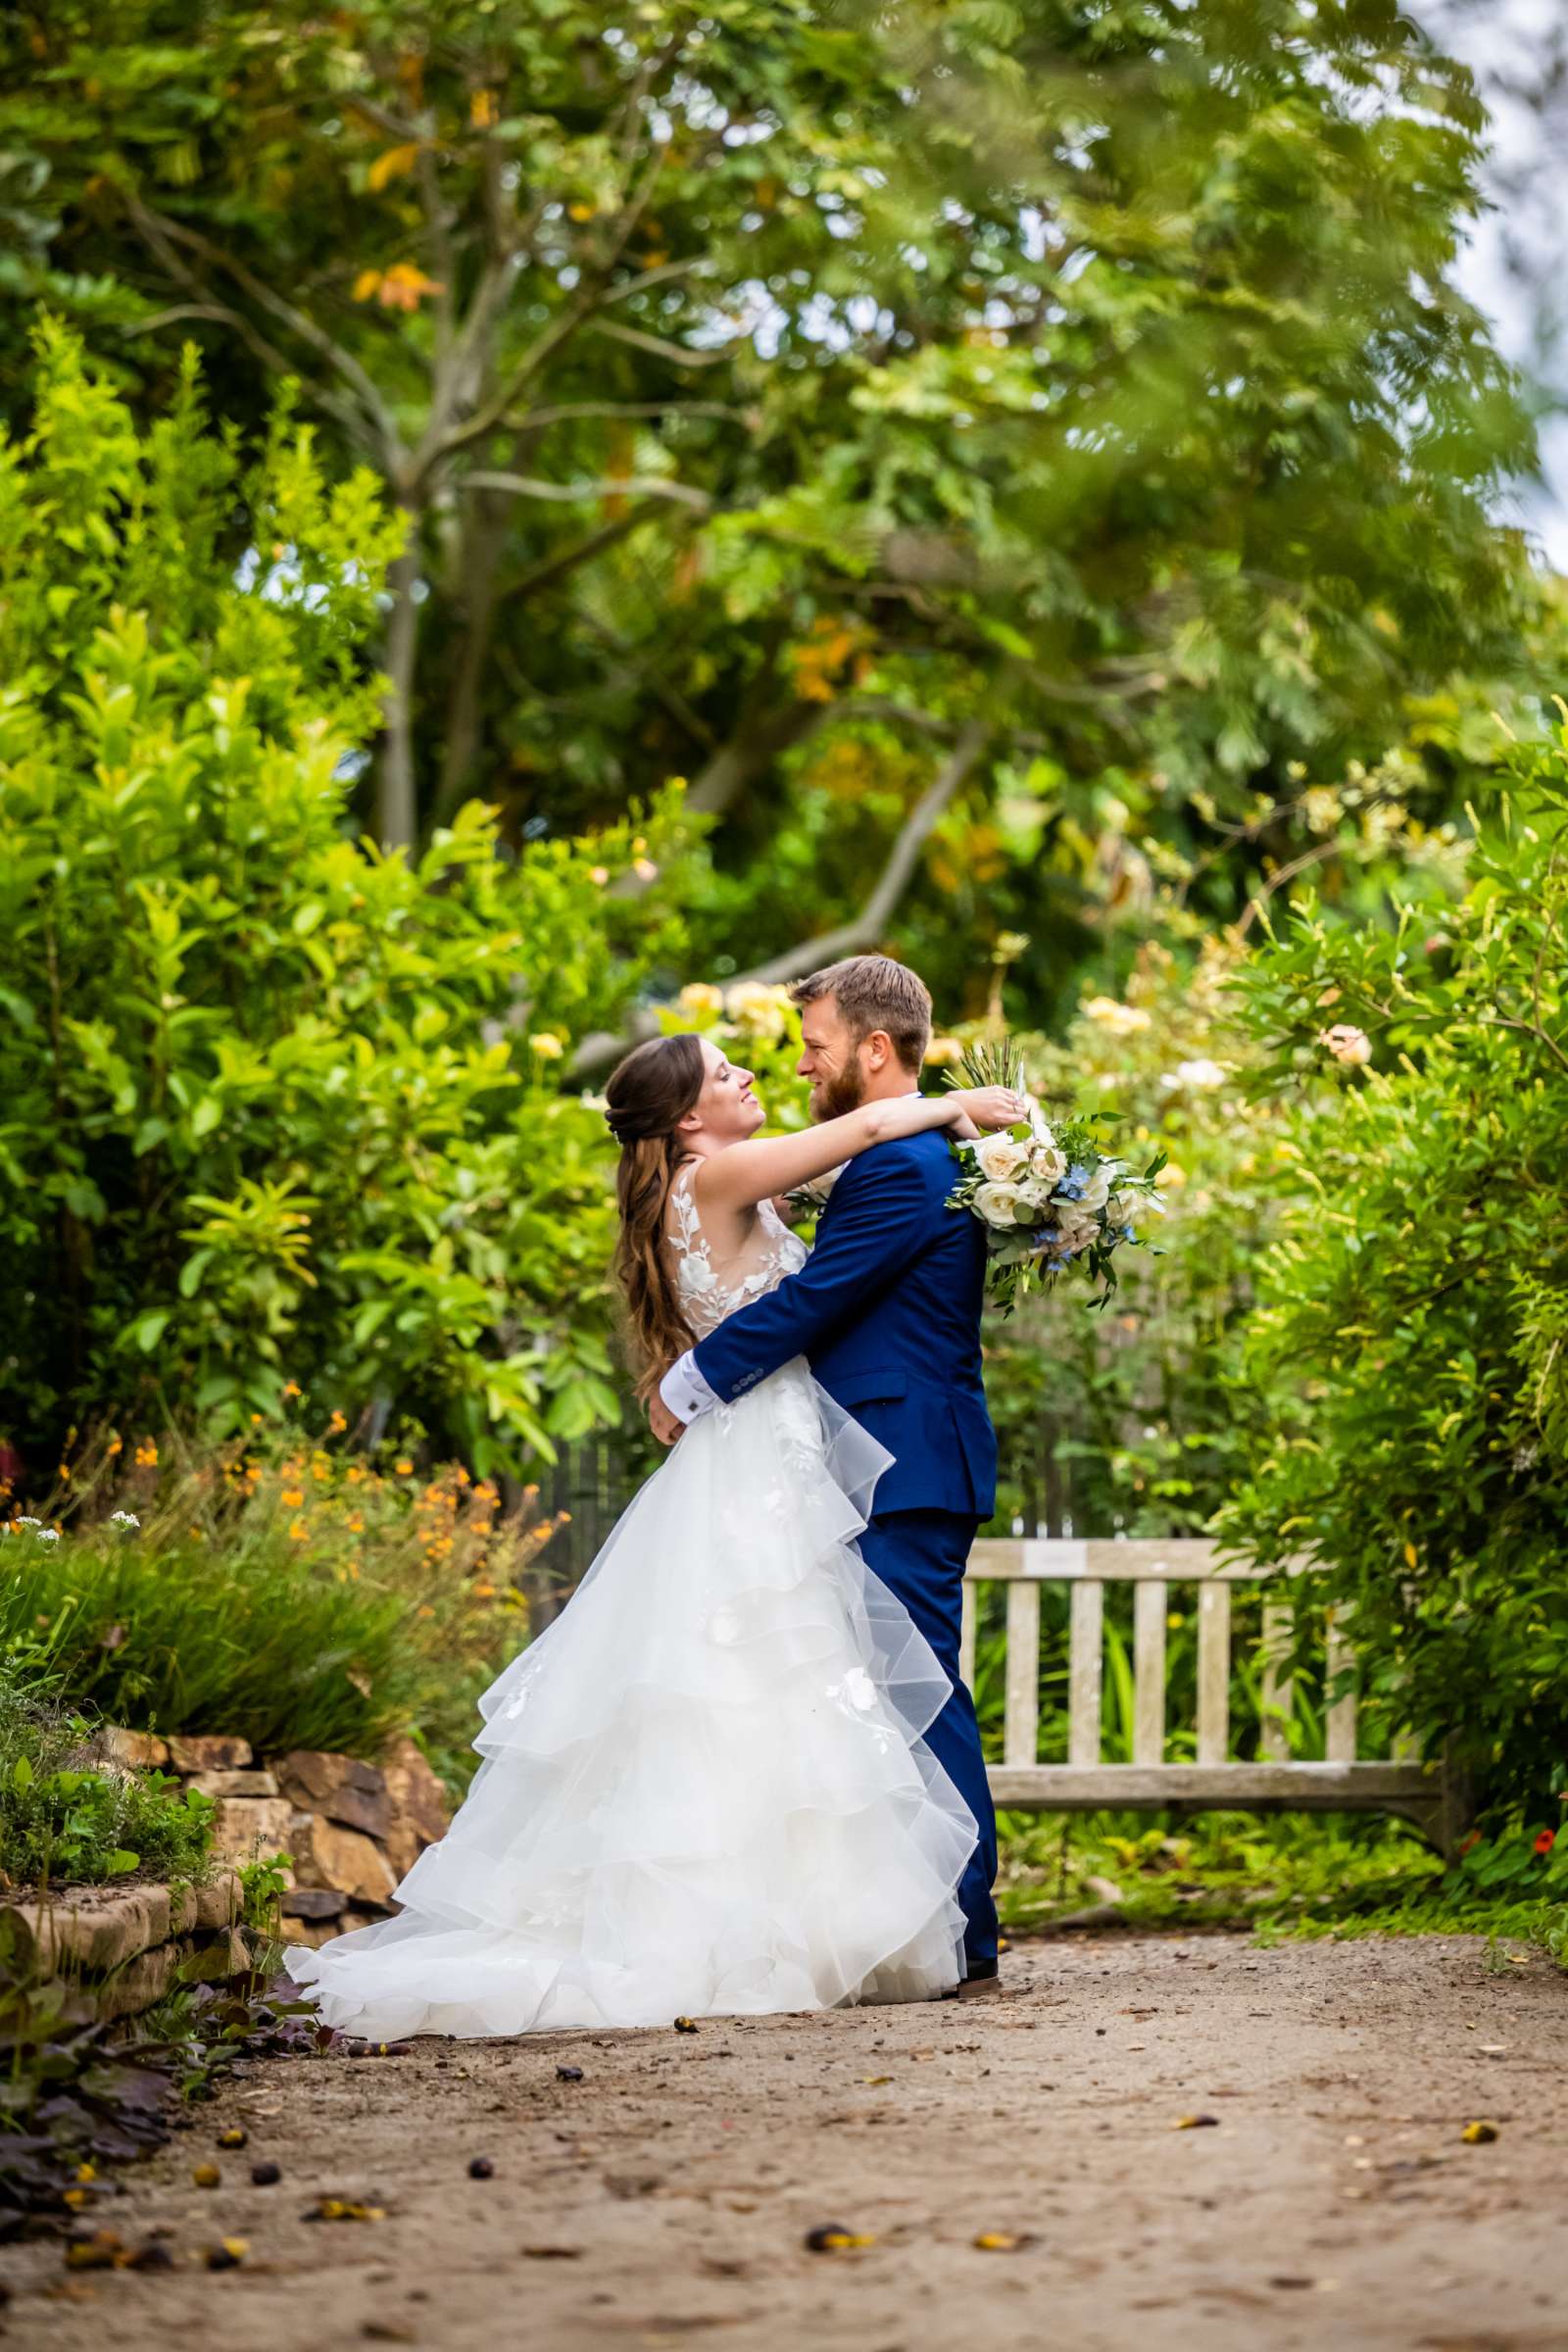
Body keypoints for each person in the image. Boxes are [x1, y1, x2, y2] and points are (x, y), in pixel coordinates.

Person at [284, 996, 1021, 2038]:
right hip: (767, 1449)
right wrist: (963, 1106)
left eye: (772, 1061)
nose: (756, 1077)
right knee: (776, 1681)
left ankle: (843, 1916)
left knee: (780, 1688)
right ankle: (825, 1924)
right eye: (727, 1075)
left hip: (783, 1449)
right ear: (685, 1123)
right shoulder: (716, 1177)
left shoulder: (737, 1177)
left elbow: (855, 1179)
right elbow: (858, 1136)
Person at [653, 956, 1003, 1992]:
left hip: (903, 1459)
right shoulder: (912, 1151)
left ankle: (962, 1933)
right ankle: (927, 1926)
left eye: (814, 1045)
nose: (799, 1065)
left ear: (874, 1049)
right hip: (882, 1453)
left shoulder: (901, 1162)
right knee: (879, 1697)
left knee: (916, 1694)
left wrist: (693, 1380)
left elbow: (821, 1300)